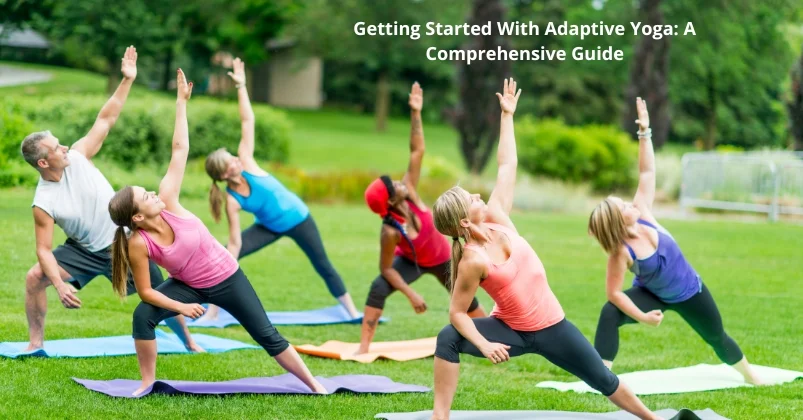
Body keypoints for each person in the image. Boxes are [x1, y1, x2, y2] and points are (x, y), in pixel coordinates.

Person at [429, 79, 660, 420]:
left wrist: (507, 117)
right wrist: (484, 343)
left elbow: (507, 167)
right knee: (447, 338)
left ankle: (653, 419)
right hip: (512, 332)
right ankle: (440, 416)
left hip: (554, 327)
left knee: (603, 378)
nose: (477, 195)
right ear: (464, 222)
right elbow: (457, 314)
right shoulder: (472, 261)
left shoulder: (497, 218)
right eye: (470, 199)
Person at [108, 69, 326, 396]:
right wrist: (180, 307)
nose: (153, 193)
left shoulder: (168, 201)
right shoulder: (138, 243)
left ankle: (315, 385)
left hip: (228, 278)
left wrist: (181, 102)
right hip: (188, 287)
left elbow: (179, 148)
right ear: (137, 216)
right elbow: (147, 293)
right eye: (145, 195)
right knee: (143, 316)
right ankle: (146, 382)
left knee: (266, 335)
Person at [19, 46, 198, 353]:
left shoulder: (78, 155)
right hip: (84, 250)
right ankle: (35, 344)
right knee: (34, 278)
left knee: (157, 291)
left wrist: (127, 79)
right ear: (43, 163)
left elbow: (107, 118)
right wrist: (61, 286)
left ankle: (190, 343)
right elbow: (43, 250)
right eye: (56, 148)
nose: (63, 148)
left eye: (61, 144)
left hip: (124, 242)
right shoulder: (43, 202)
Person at [587, 97, 763, 385]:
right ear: (619, 222)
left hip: (689, 291)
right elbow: (614, 294)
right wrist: (643, 318)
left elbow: (647, 172)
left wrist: (645, 132)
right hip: (652, 294)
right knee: (610, 314)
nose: (631, 205)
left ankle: (751, 376)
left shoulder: (643, 212)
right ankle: (600, 377)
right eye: (624, 207)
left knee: (717, 337)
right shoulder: (621, 253)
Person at [201, 57, 358, 321]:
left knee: (323, 265)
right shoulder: (232, 200)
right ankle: (213, 311)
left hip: (299, 219)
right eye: (231, 162)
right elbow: (236, 241)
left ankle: (352, 312)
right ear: (225, 174)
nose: (237, 160)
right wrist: (229, 259)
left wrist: (241, 87)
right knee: (226, 257)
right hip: (269, 227)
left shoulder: (248, 163)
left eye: (234, 157)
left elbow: (247, 121)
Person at [358, 82, 486, 355]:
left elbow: (417, 152)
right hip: (412, 263)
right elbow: (387, 269)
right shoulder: (389, 231)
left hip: (442, 258)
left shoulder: (411, 194)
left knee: (466, 299)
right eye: (395, 186)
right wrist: (410, 294)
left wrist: (416, 112)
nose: (399, 182)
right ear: (391, 201)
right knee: (378, 287)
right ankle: (363, 348)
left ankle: (487, 338)